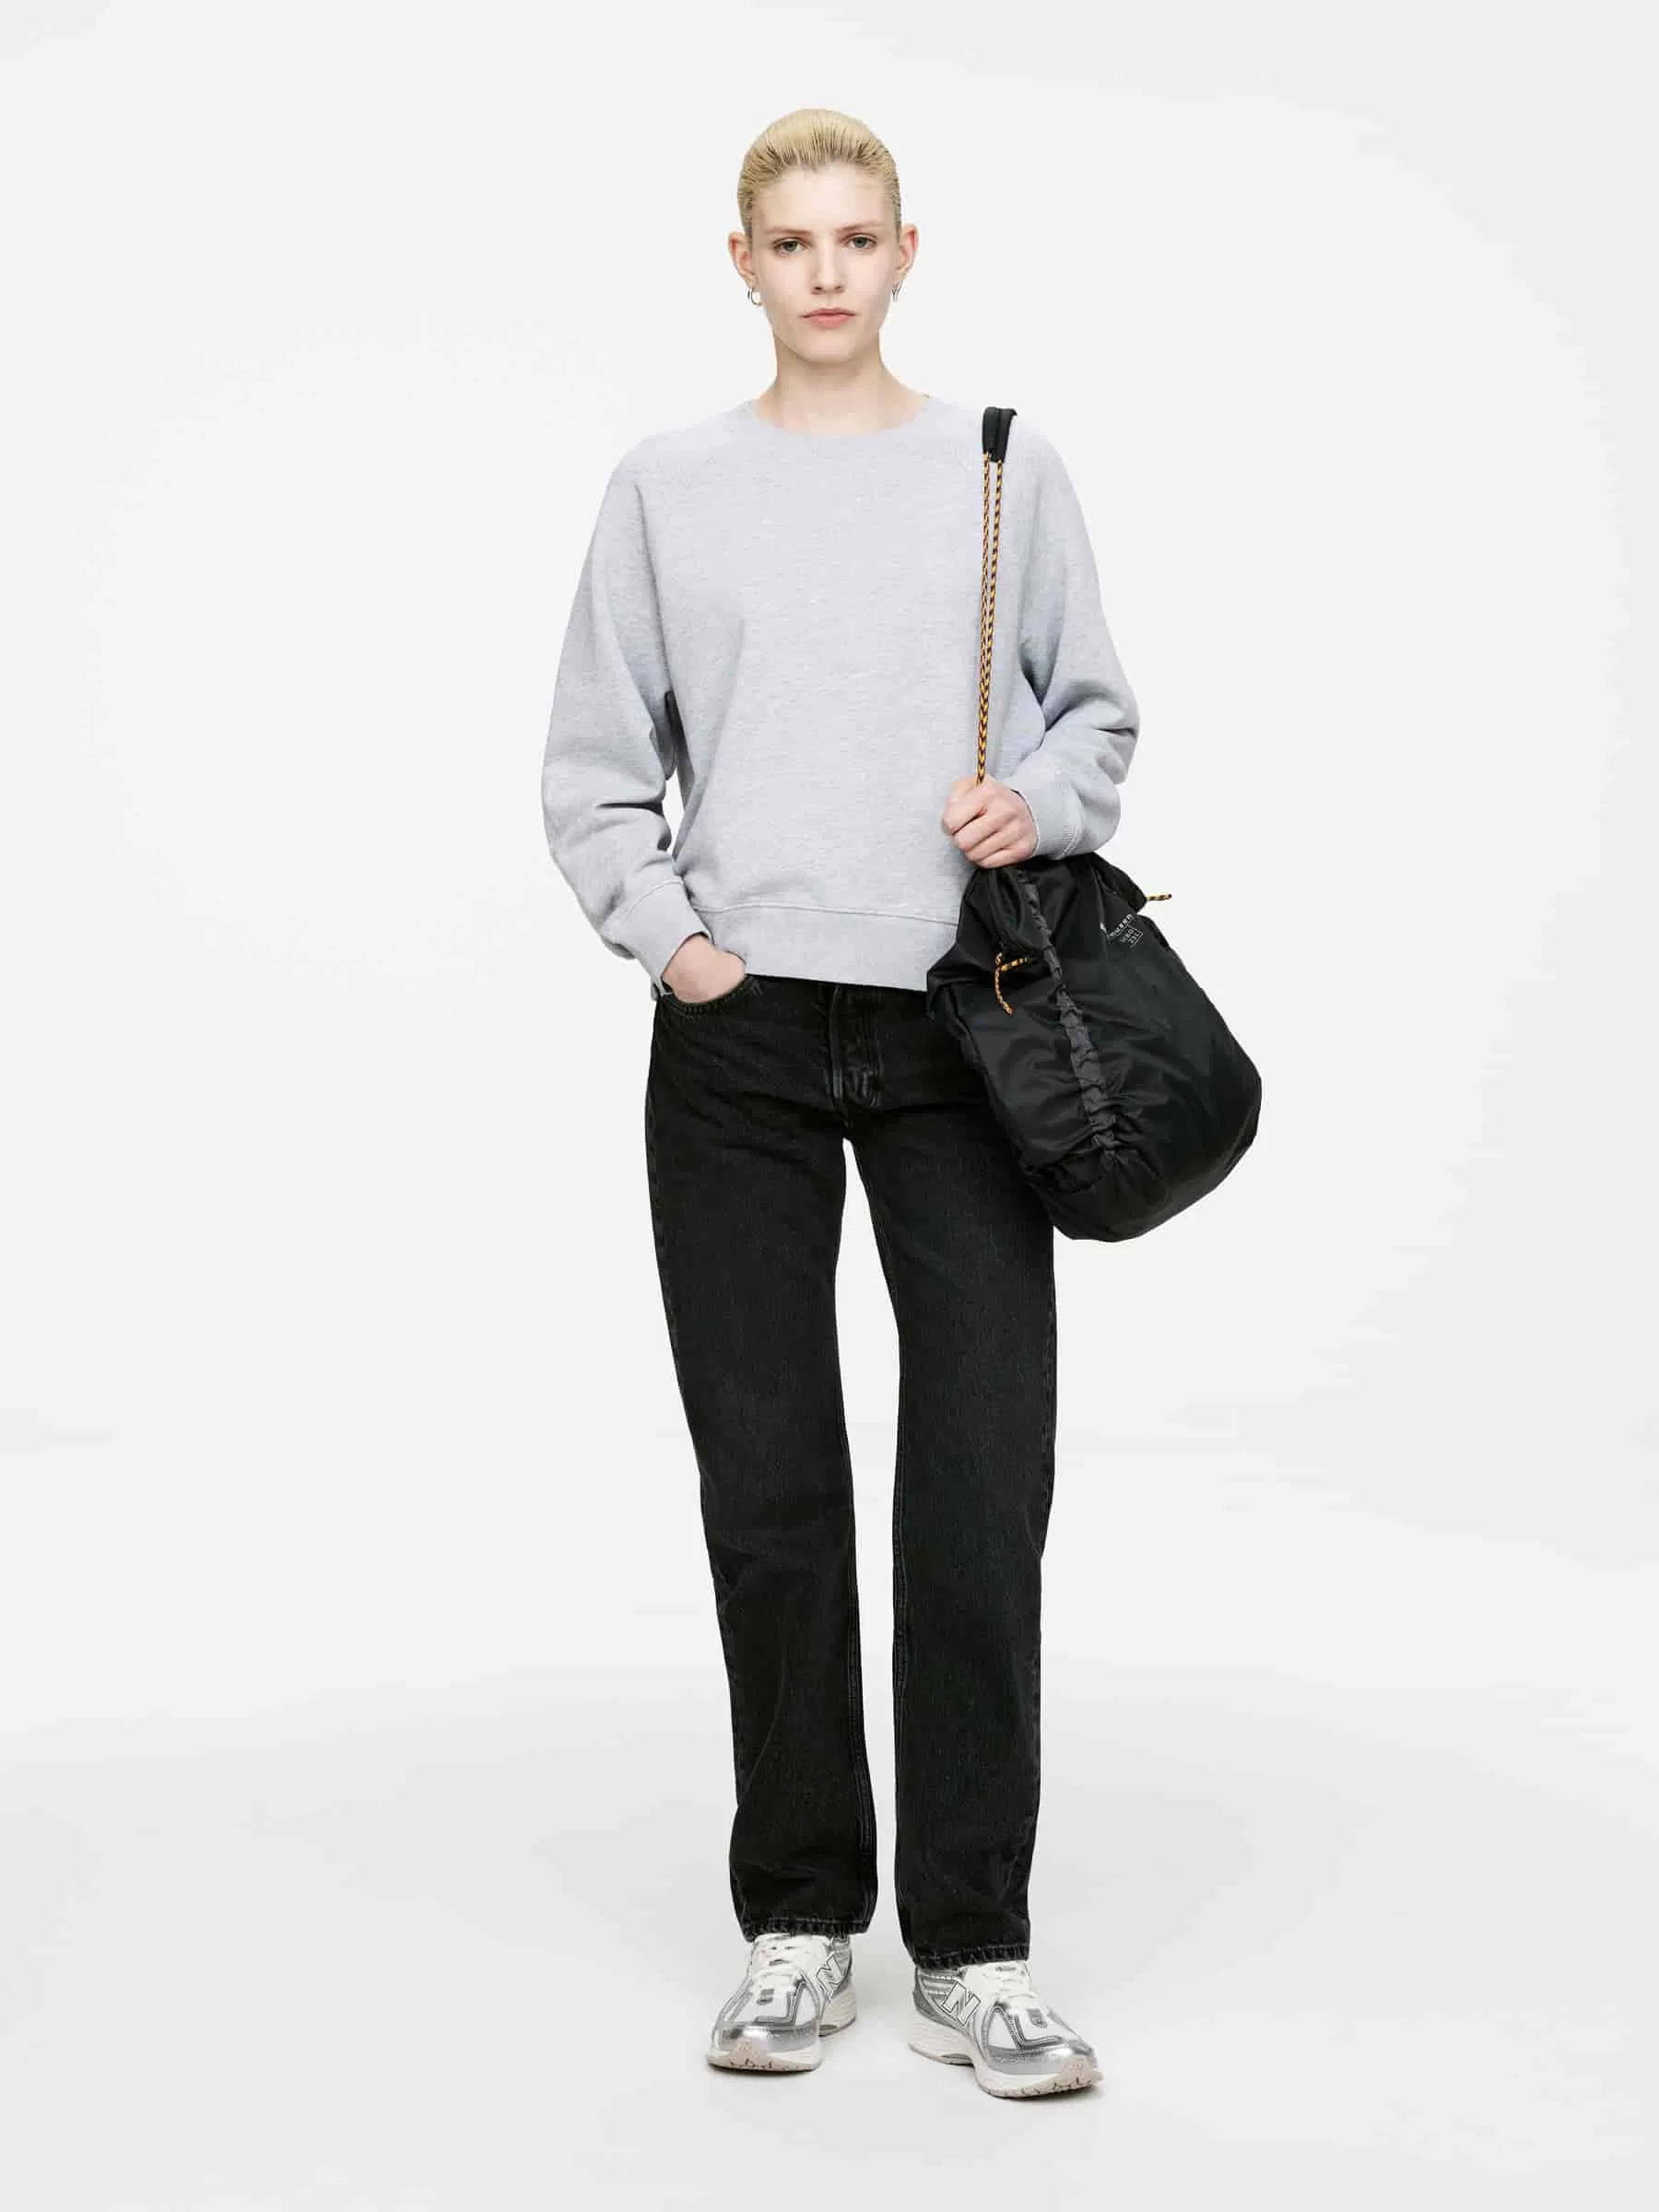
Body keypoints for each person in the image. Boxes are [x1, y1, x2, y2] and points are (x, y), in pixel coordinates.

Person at [540, 107, 1138, 2100]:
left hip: (963, 1026)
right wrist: (678, 946)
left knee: (977, 1483)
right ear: (742, 263)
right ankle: (799, 1923)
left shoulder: (1000, 468)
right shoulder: (668, 487)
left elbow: (1095, 714)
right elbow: (594, 764)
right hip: (740, 1041)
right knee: (771, 1486)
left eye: (856, 238)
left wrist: (1033, 804)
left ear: (904, 253)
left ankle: (975, 1947)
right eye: (790, 242)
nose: (824, 271)